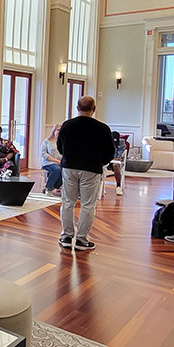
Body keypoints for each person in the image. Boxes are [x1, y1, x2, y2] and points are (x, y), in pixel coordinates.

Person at [56, 96, 115, 251]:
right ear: (94, 109)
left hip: (69, 167)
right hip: (91, 168)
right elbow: (110, 152)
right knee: (88, 205)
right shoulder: (102, 128)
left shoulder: (67, 125)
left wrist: (68, 157)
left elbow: (60, 147)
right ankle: (82, 240)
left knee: (68, 202)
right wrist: (100, 162)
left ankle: (67, 237)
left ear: (77, 108)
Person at [40, 124, 62, 196]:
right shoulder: (47, 141)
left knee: (66, 171)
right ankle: (49, 188)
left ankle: (55, 186)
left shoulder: (63, 142)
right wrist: (56, 161)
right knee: (57, 169)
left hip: (60, 163)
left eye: (61, 130)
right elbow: (44, 153)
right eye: (58, 130)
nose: (59, 132)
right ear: (54, 131)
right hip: (48, 162)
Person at [107, 131, 125, 196]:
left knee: (115, 165)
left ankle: (118, 186)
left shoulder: (121, 142)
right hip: (107, 160)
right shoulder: (106, 141)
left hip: (115, 161)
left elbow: (119, 156)